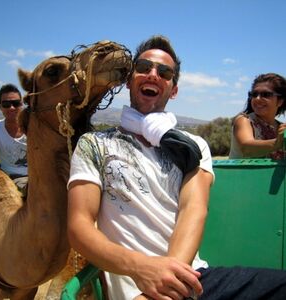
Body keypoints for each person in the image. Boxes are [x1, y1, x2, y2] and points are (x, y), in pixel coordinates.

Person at [67, 36, 286, 300]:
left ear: (173, 90)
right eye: (144, 67)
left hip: (193, 280)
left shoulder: (193, 145)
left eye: (164, 72)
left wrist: (167, 285)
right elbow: (79, 226)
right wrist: (141, 267)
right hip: (135, 286)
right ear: (129, 80)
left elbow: (193, 209)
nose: (153, 74)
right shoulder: (94, 143)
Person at [229, 73, 286, 159]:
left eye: (266, 94)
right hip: (243, 172)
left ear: (280, 101)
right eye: (254, 94)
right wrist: (278, 143)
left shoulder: (281, 128)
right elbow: (247, 148)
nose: (257, 98)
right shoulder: (244, 121)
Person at [0, 83, 28, 194]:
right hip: (16, 178)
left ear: (22, 104)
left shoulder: (34, 125)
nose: (12, 108)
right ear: (0, 106)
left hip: (40, 174)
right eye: (6, 104)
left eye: (16, 103)